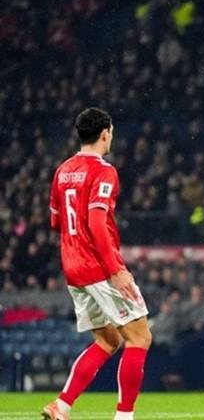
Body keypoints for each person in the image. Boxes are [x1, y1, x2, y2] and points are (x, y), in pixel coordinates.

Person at [44, 108, 151, 420]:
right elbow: (95, 221)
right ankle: (124, 417)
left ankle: (61, 406)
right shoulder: (104, 171)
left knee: (108, 340)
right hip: (99, 267)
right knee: (139, 337)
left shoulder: (63, 170)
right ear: (106, 134)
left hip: (73, 267)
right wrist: (116, 270)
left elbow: (55, 222)